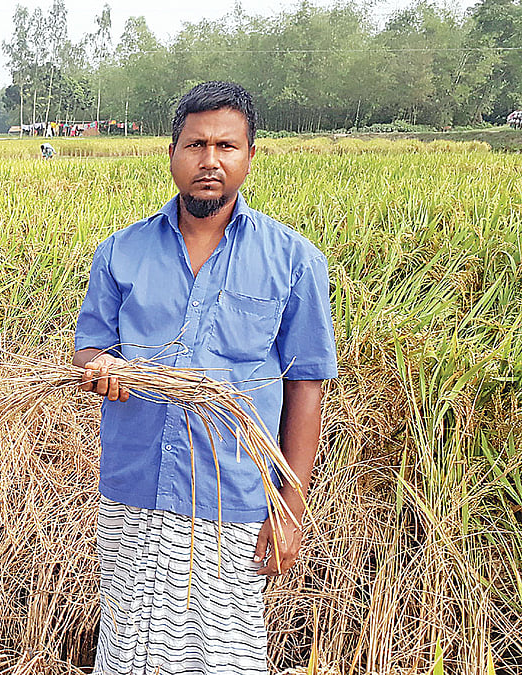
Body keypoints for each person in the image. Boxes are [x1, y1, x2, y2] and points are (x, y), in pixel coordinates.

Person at [73, 81, 338, 675]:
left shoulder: (294, 260)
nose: (210, 161)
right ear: (172, 153)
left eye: (226, 146)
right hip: (134, 491)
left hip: (232, 497)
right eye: (195, 145)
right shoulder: (120, 252)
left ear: (250, 155)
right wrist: (101, 367)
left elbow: (306, 386)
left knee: (222, 657)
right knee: (130, 650)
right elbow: (90, 347)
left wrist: (290, 508)